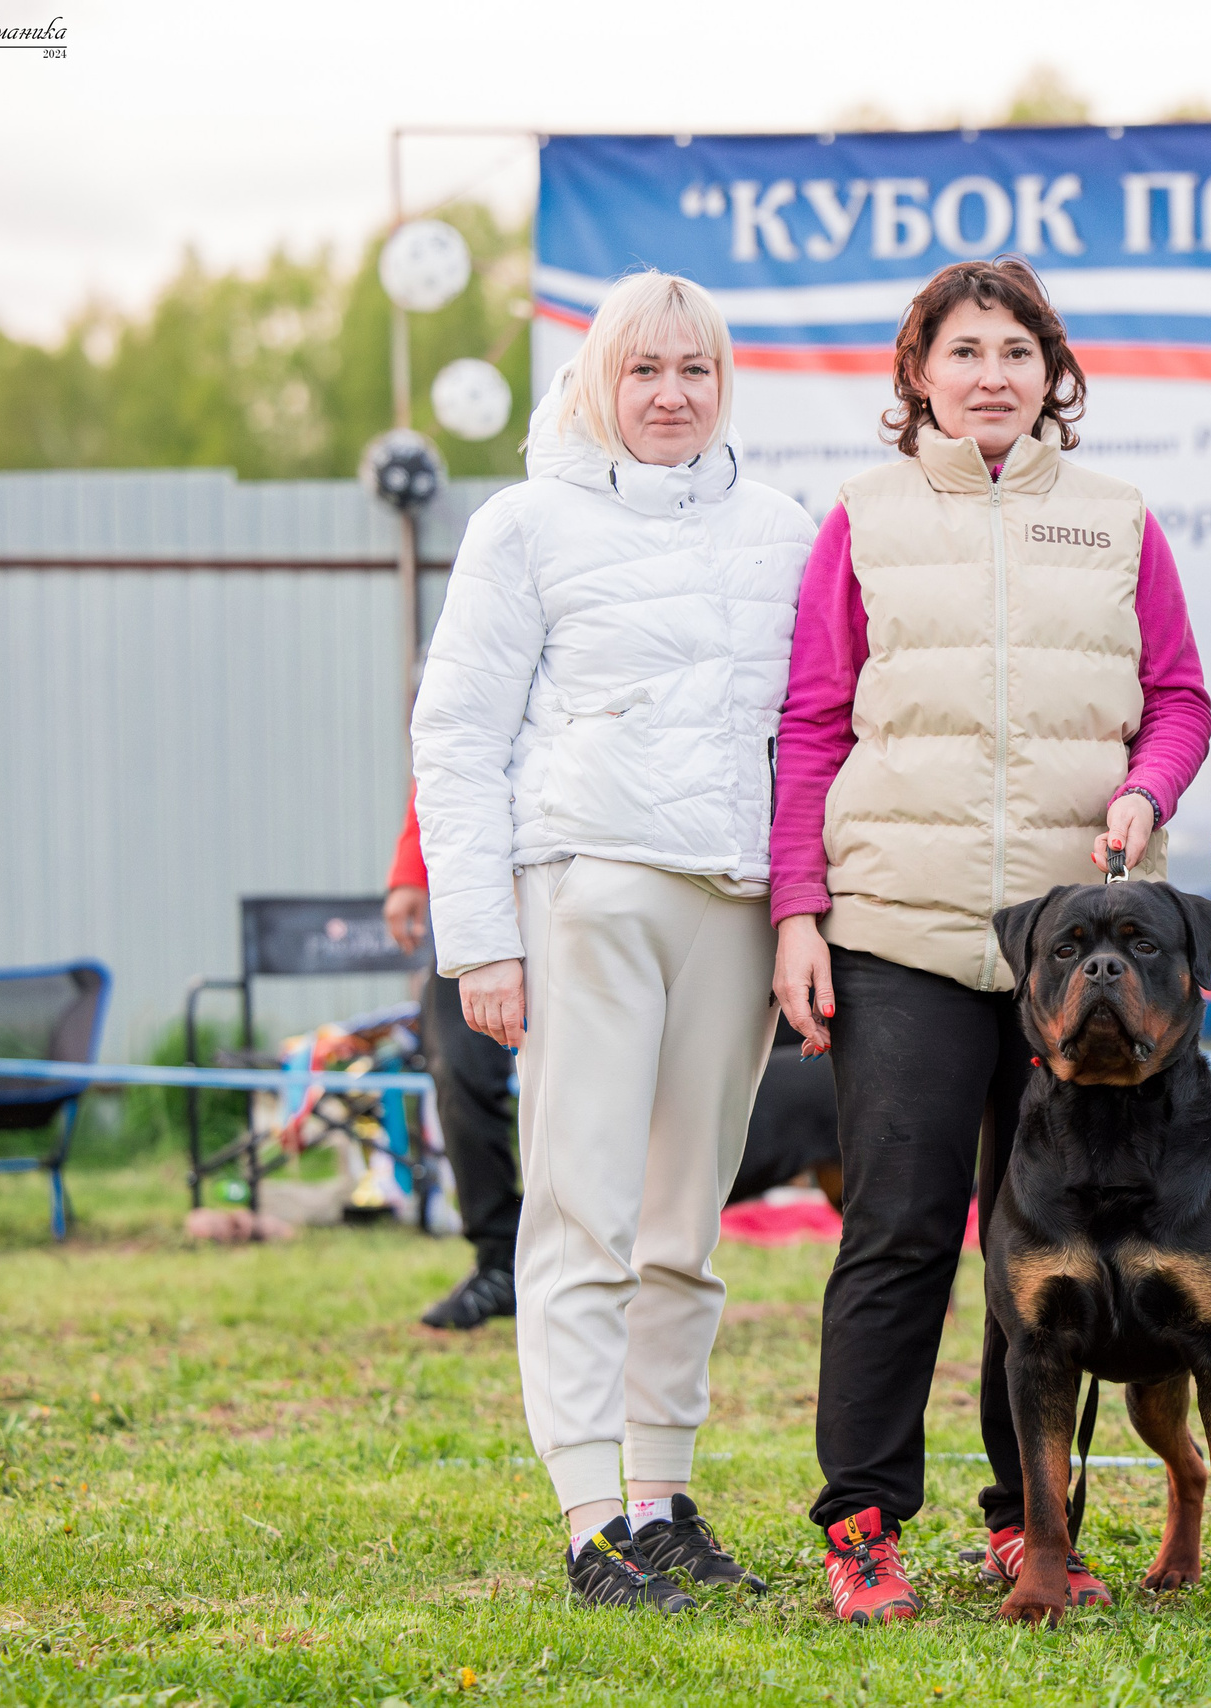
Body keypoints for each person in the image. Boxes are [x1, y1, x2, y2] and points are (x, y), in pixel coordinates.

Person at [769, 256, 1211, 1625]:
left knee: (1051, 1239)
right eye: (964, 350)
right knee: (898, 1228)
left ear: (1052, 372)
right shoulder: (861, 518)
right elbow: (811, 723)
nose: (991, 374)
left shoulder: (1120, 519)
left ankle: (1032, 1522)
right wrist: (799, 908)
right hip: (898, 931)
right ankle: (862, 1524)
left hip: (1079, 954)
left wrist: (1146, 790)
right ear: (918, 374)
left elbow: (1182, 700)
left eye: (1016, 350)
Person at [412, 269, 813, 1610]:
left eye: (693, 370)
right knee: (582, 1214)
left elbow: (811, 733)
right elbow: (457, 734)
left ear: (724, 383)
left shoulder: (783, 527)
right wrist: (482, 944)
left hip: (736, 902)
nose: (669, 395)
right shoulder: (523, 526)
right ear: (597, 382)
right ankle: (590, 1520)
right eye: (643, 371)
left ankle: (663, 1500)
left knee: (684, 1225)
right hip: (584, 895)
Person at [380, 785, 521, 1329]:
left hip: (589, 876)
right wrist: (411, 871)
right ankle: (498, 1261)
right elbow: (452, 737)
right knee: (458, 1072)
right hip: (483, 894)